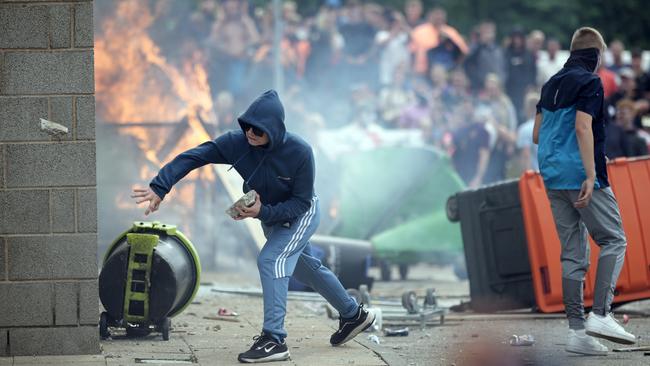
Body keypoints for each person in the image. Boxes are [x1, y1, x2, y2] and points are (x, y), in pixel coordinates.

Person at [132, 90, 375, 363]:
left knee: (271, 260)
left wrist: (263, 212)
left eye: (257, 130)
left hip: (301, 213)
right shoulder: (236, 143)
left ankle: (275, 339)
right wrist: (160, 187)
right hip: (270, 214)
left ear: (273, 129)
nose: (249, 133)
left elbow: (302, 202)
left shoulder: (300, 152)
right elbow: (195, 156)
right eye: (246, 126)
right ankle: (354, 315)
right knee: (306, 269)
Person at [533, 27, 636, 356]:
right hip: (579, 174)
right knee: (614, 239)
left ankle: (577, 333)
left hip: (552, 176)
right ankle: (602, 314)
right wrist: (591, 173)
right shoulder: (591, 82)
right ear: (595, 55)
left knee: (573, 254)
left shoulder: (550, 83)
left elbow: (538, 134)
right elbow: (581, 126)